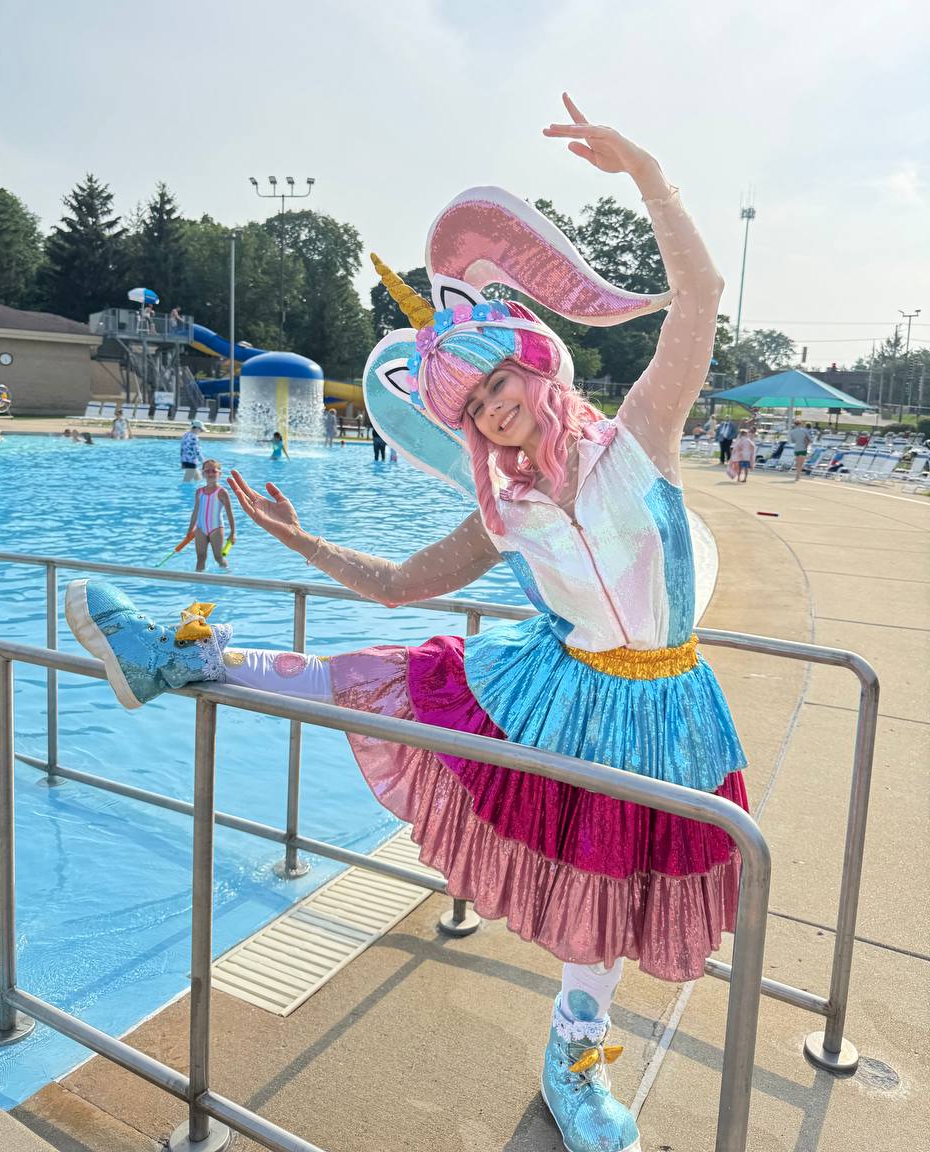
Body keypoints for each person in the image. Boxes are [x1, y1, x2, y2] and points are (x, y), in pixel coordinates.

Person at [64, 99, 746, 1152]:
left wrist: (646, 172)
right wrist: (307, 547)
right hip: (559, 685)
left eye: (500, 383)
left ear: (536, 364)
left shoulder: (638, 442)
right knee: (380, 673)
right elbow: (398, 584)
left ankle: (576, 1062)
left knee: (608, 889)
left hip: (666, 706)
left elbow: (700, 294)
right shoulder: (505, 507)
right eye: (472, 406)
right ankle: (178, 657)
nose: (493, 410)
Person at [185, 459, 236, 571]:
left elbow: (229, 513)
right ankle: (198, 581)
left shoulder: (222, 492)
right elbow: (196, 512)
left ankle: (227, 574)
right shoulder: (199, 492)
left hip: (216, 528)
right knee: (200, 557)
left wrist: (232, 533)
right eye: (207, 471)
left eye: (214, 471)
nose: (211, 474)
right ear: (203, 473)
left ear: (219, 474)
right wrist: (190, 529)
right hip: (200, 529)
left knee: (218, 557)